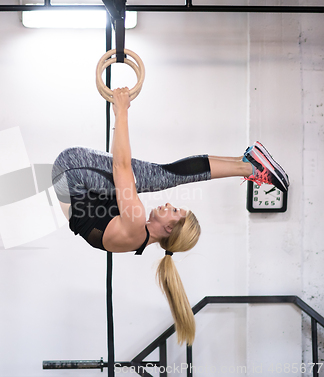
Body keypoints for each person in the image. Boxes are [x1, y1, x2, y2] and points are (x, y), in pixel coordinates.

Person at [51, 87, 289, 345]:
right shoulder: (134, 234)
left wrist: (121, 111)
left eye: (174, 211)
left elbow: (120, 166)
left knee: (160, 176)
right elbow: (113, 168)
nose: (167, 205)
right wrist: (116, 126)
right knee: (155, 177)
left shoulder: (133, 224)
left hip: (71, 172)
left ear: (168, 229)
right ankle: (246, 162)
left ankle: (250, 165)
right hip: (77, 185)